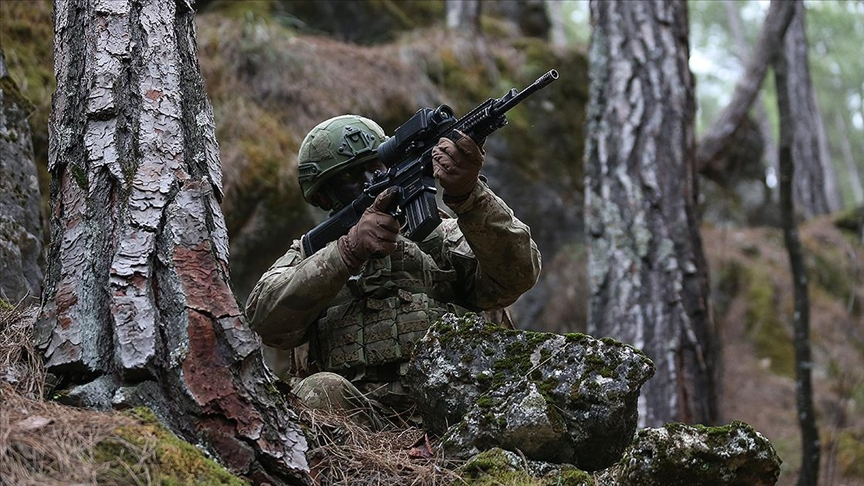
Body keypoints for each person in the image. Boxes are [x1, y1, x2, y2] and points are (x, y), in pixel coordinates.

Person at [245, 114, 541, 424]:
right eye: (350, 176)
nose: (368, 182)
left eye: (376, 168)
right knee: (318, 390)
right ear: (323, 195)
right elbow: (264, 320)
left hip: (453, 408)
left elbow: (519, 274)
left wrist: (470, 195)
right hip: (359, 422)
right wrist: (346, 252)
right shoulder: (310, 254)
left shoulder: (444, 234)